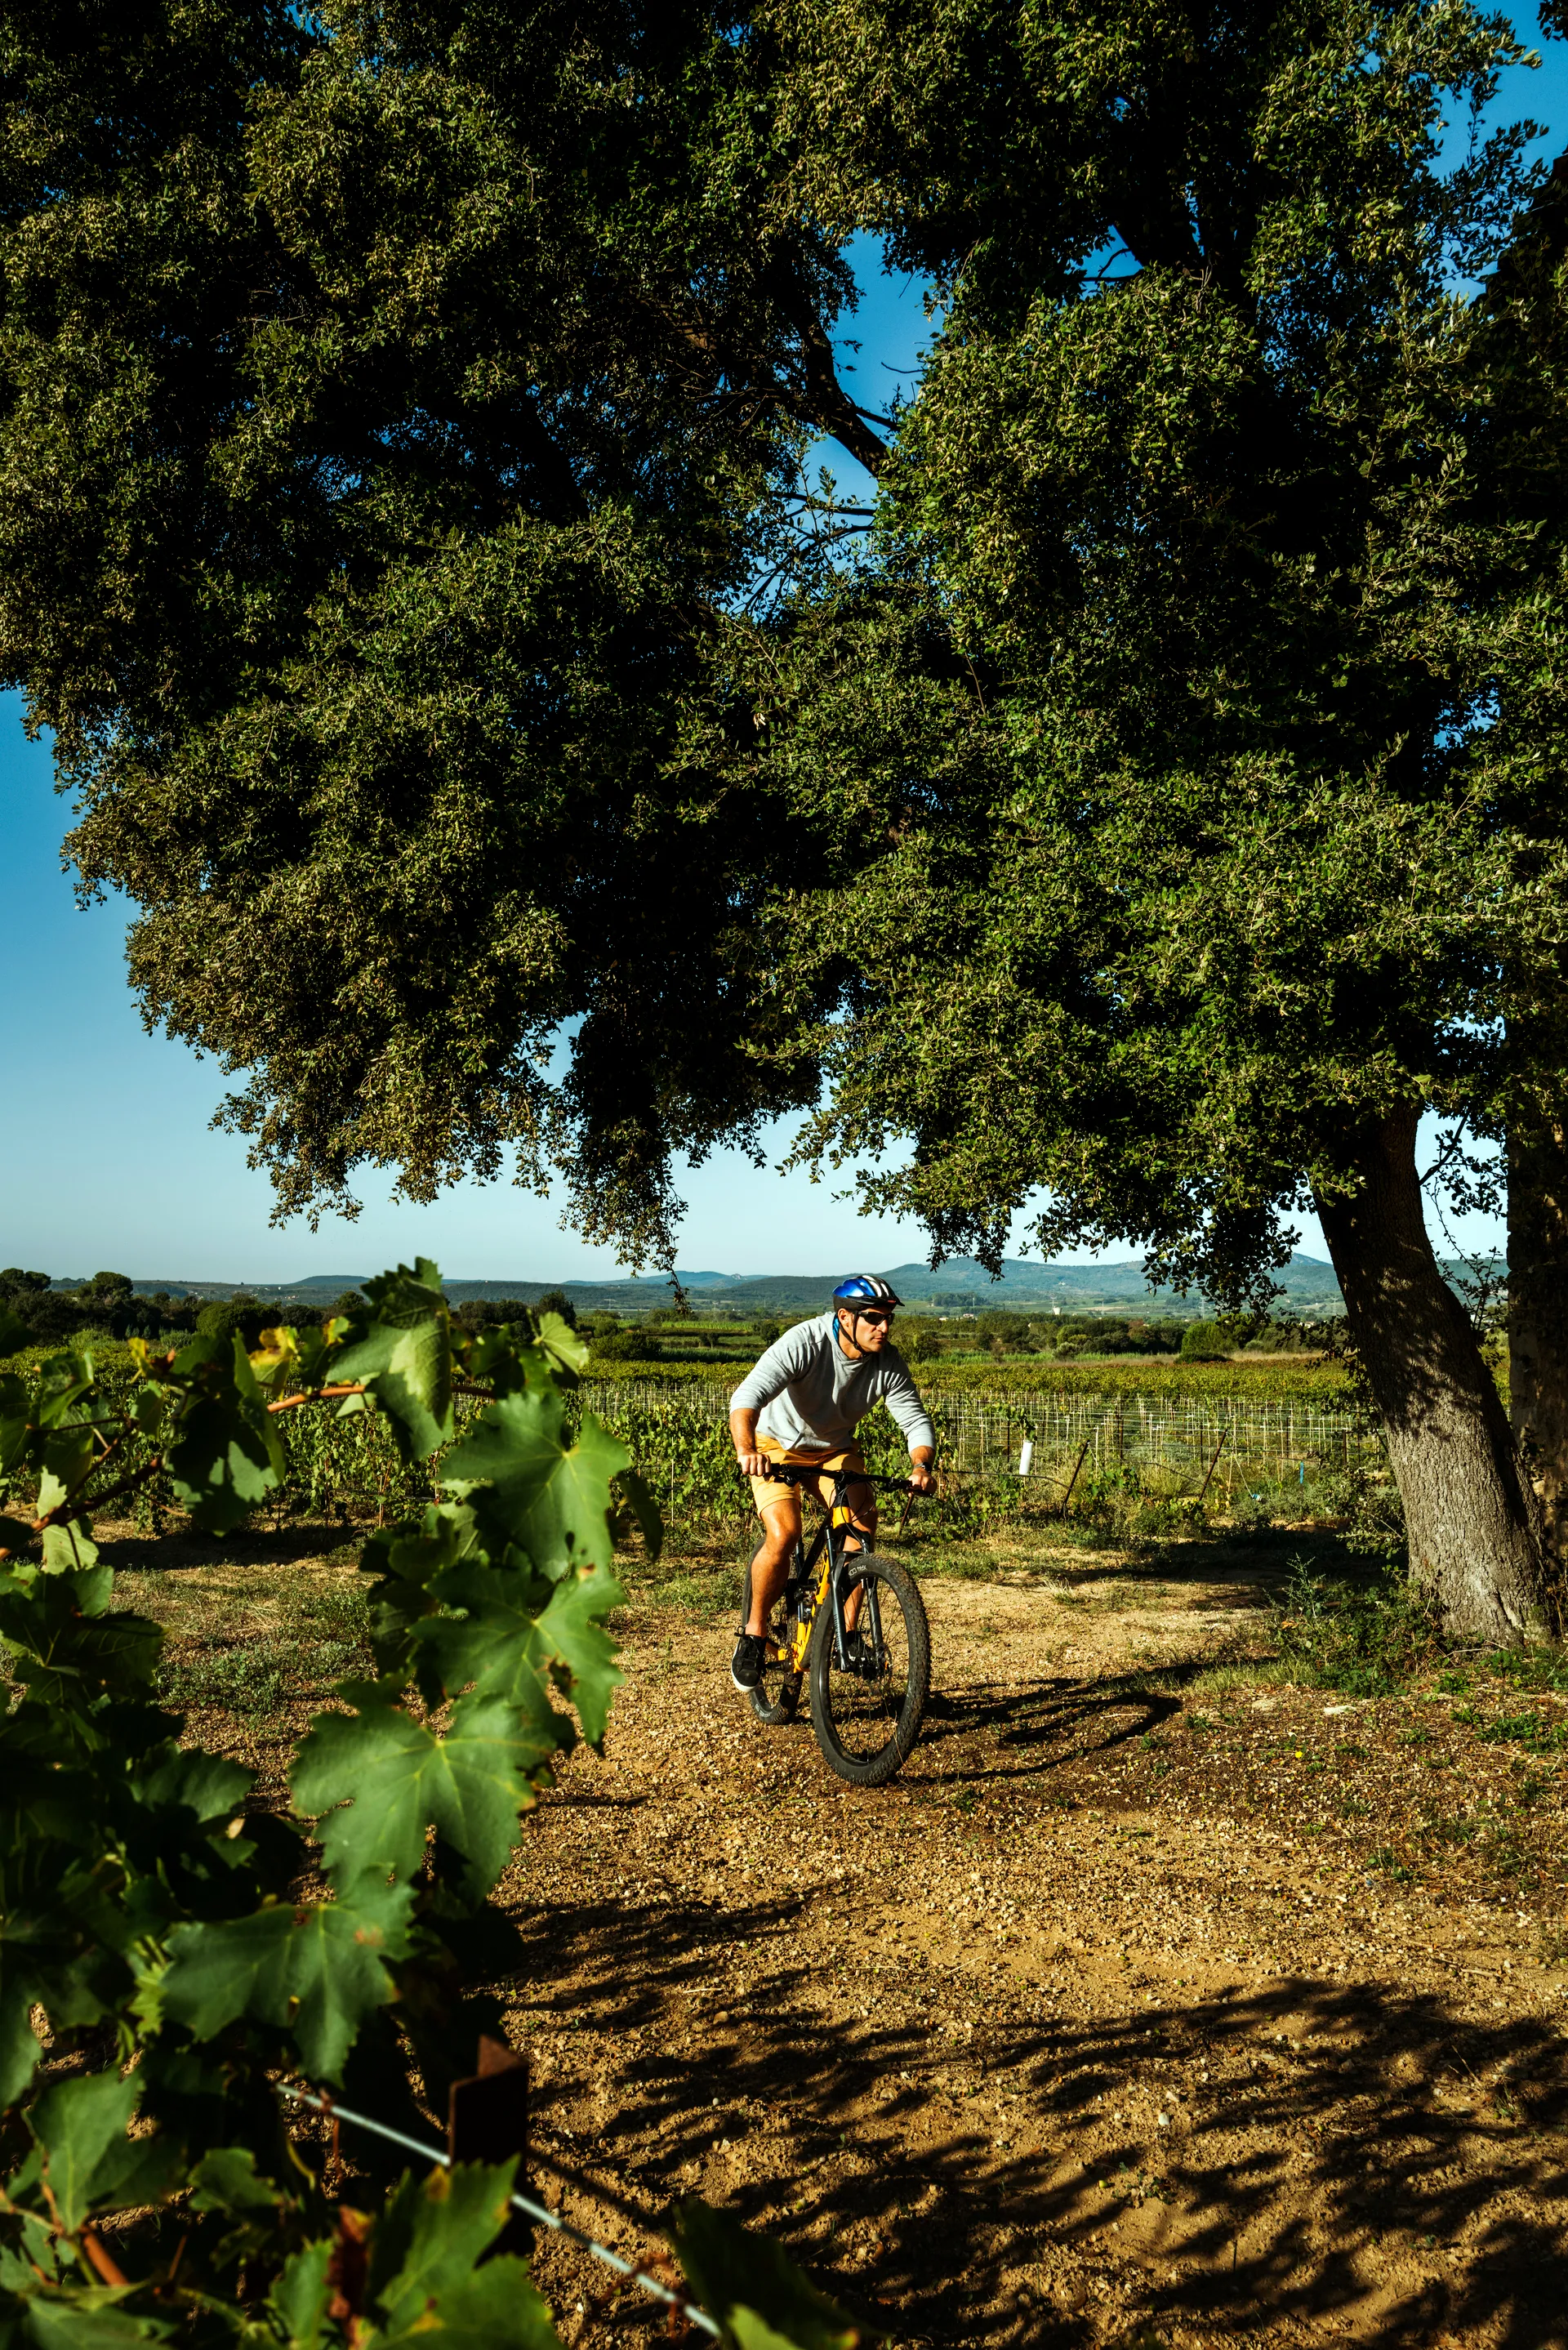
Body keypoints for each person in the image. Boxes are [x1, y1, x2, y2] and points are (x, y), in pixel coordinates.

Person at [727, 1275, 936, 1692]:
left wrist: (921, 1466)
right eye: (874, 1319)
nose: (884, 1328)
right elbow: (745, 1400)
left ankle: (849, 1634)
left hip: (833, 1448)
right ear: (844, 1317)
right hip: (775, 1445)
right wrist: (747, 1450)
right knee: (785, 1533)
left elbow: (915, 1422)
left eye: (889, 1319)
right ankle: (753, 1633)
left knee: (860, 1531)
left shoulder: (886, 1362)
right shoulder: (805, 1341)